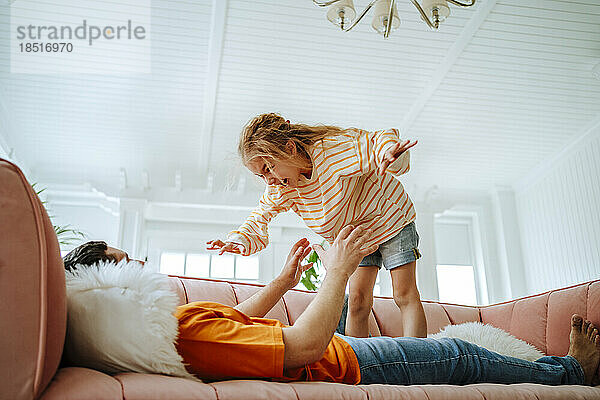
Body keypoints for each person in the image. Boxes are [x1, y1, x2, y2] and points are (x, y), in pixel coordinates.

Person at [63, 228, 600, 386]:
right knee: (457, 353)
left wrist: (283, 279)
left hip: (344, 349)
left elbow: (241, 318)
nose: (135, 263)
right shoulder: (178, 338)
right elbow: (303, 346)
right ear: (105, 287)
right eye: (122, 261)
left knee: (422, 334)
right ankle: (573, 373)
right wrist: (338, 270)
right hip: (345, 361)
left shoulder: (172, 322)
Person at [207, 113, 426, 339]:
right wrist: (238, 240)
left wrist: (388, 154)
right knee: (357, 302)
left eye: (269, 167)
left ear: (290, 148)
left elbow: (377, 142)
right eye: (261, 175)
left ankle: (420, 359)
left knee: (403, 293)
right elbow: (260, 216)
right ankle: (358, 367)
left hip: (390, 219)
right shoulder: (282, 188)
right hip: (355, 237)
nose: (269, 180)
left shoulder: (330, 152)